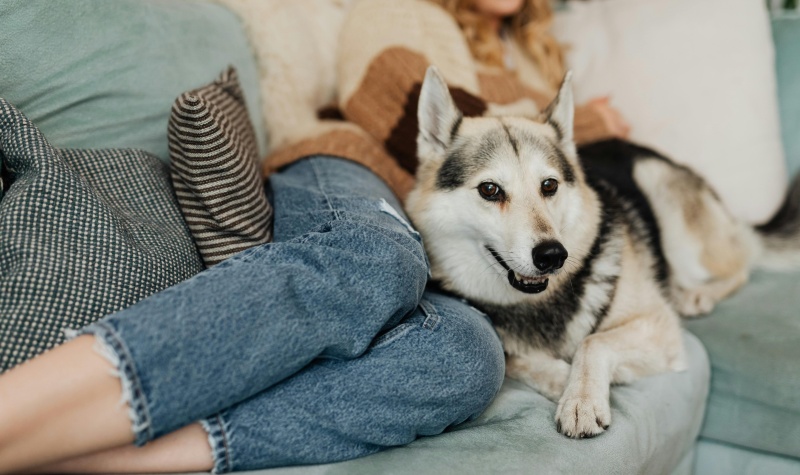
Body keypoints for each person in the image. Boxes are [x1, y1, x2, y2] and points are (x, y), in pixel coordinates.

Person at [0, 0, 631, 473]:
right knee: (376, 261)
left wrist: (550, 126)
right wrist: (569, 125)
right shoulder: (406, 11)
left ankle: (104, 459)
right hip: (352, 166)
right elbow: (390, 97)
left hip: (454, 250)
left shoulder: (537, 58)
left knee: (469, 360)